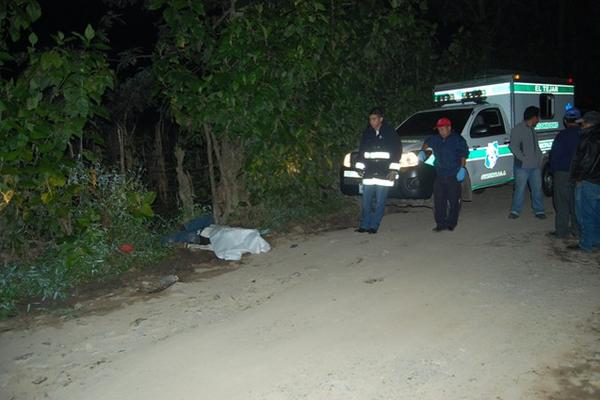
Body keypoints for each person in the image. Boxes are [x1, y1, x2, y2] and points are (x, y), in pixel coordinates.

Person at [354, 107, 402, 234]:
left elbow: (397, 152)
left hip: (384, 173)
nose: (371, 121)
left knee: (380, 202)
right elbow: (362, 151)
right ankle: (364, 225)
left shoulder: (390, 133)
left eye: (374, 119)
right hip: (369, 173)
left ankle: (374, 226)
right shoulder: (367, 133)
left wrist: (393, 170)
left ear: (381, 119)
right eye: (370, 119)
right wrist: (359, 167)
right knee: (366, 203)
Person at [418, 117, 469, 232]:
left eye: (442, 129)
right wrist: (422, 151)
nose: (440, 131)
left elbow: (463, 155)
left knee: (453, 200)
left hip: (453, 174)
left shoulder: (458, 140)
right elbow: (426, 143)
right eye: (439, 129)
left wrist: (462, 168)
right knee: (439, 201)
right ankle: (440, 224)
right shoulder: (435, 139)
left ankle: (452, 223)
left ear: (449, 128)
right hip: (440, 174)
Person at [568, 111, 600, 252]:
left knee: (585, 213)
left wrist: (578, 178)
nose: (582, 125)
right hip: (597, 181)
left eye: (584, 122)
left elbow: (586, 161)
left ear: (590, 123)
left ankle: (586, 244)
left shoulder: (589, 138)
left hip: (589, 181)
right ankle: (596, 241)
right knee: (596, 213)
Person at [548, 107, 581, 238]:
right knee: (576, 204)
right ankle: (577, 230)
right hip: (579, 175)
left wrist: (552, 171)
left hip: (562, 173)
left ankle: (561, 231)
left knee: (562, 203)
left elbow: (554, 156)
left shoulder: (561, 136)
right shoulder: (584, 135)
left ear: (566, 121)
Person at [508, 106, 546, 219]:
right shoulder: (518, 129)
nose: (538, 120)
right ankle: (515, 211)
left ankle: (539, 210)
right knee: (520, 189)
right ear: (533, 117)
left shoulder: (532, 130)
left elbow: (536, 147)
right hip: (522, 167)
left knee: (537, 189)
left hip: (535, 166)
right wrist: (524, 159)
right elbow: (513, 146)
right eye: (537, 118)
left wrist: (540, 158)